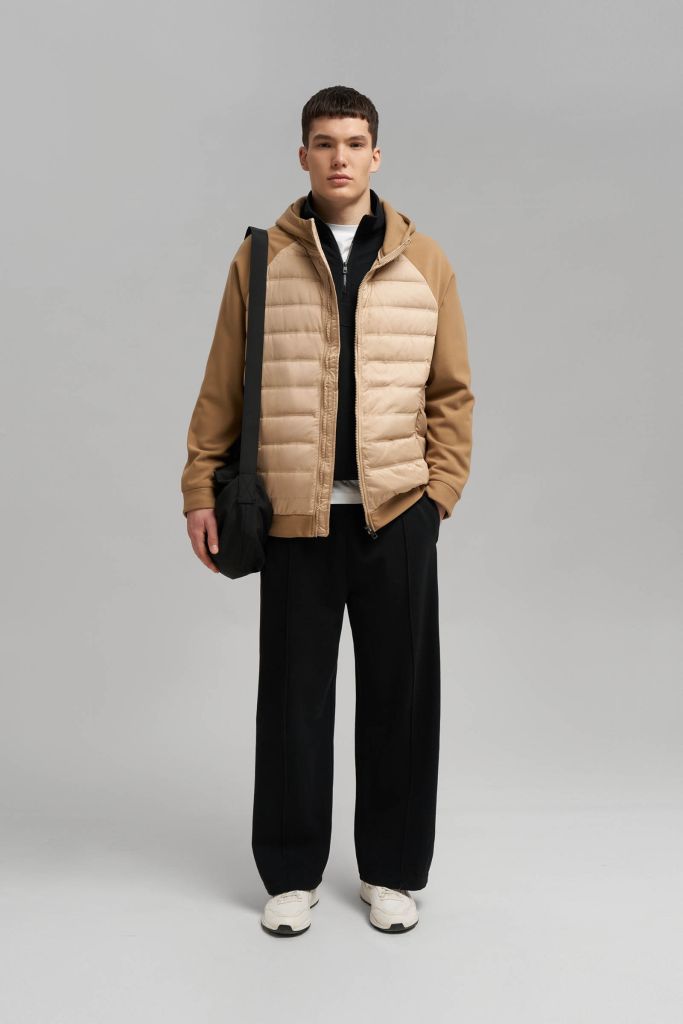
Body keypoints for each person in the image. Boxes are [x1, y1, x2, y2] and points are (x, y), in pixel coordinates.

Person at [181, 85, 475, 936]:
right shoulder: (259, 260)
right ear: (302, 156)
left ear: (375, 155)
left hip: (396, 514)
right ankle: (289, 873)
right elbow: (221, 387)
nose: (338, 157)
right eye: (323, 142)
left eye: (353, 142)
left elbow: (451, 392)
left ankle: (391, 872)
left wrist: (437, 496)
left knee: (399, 702)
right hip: (293, 518)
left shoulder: (426, 261)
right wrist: (200, 487)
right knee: (292, 703)